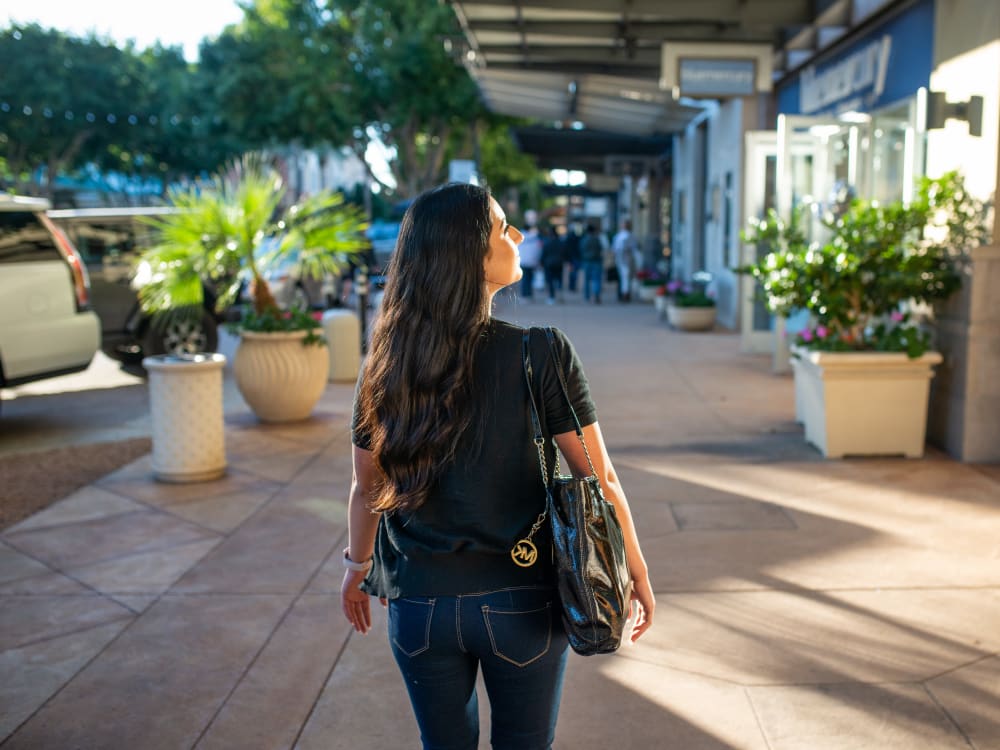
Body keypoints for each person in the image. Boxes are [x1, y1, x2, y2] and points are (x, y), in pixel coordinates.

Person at [342, 183, 655, 750]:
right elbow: (598, 478)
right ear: (472, 255)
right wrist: (633, 567)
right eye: (503, 227)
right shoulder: (541, 352)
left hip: (418, 604)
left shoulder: (385, 365)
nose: (518, 236)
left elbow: (367, 488)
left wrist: (356, 566)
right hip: (523, 600)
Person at [611, 220, 638, 303]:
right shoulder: (618, 236)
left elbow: (633, 248)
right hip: (621, 260)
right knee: (623, 278)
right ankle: (623, 294)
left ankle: (625, 294)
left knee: (626, 278)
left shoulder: (629, 236)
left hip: (626, 260)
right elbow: (614, 248)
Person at [579, 223, 604, 304]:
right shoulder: (597, 239)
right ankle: (596, 294)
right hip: (596, 261)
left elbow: (581, 250)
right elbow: (600, 248)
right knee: (596, 279)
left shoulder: (584, 239)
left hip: (587, 261)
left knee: (586, 280)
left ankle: (587, 296)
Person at [540, 225, 565, 304]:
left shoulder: (547, 242)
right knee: (559, 280)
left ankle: (552, 297)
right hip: (559, 263)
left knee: (550, 281)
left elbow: (543, 254)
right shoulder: (561, 242)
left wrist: (541, 262)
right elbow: (564, 253)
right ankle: (560, 295)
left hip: (549, 264)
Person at [517, 224, 543, 299]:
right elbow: (538, 250)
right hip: (532, 261)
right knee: (530, 278)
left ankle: (524, 294)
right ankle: (529, 294)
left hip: (522, 261)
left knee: (524, 278)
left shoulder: (519, 237)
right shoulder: (534, 238)